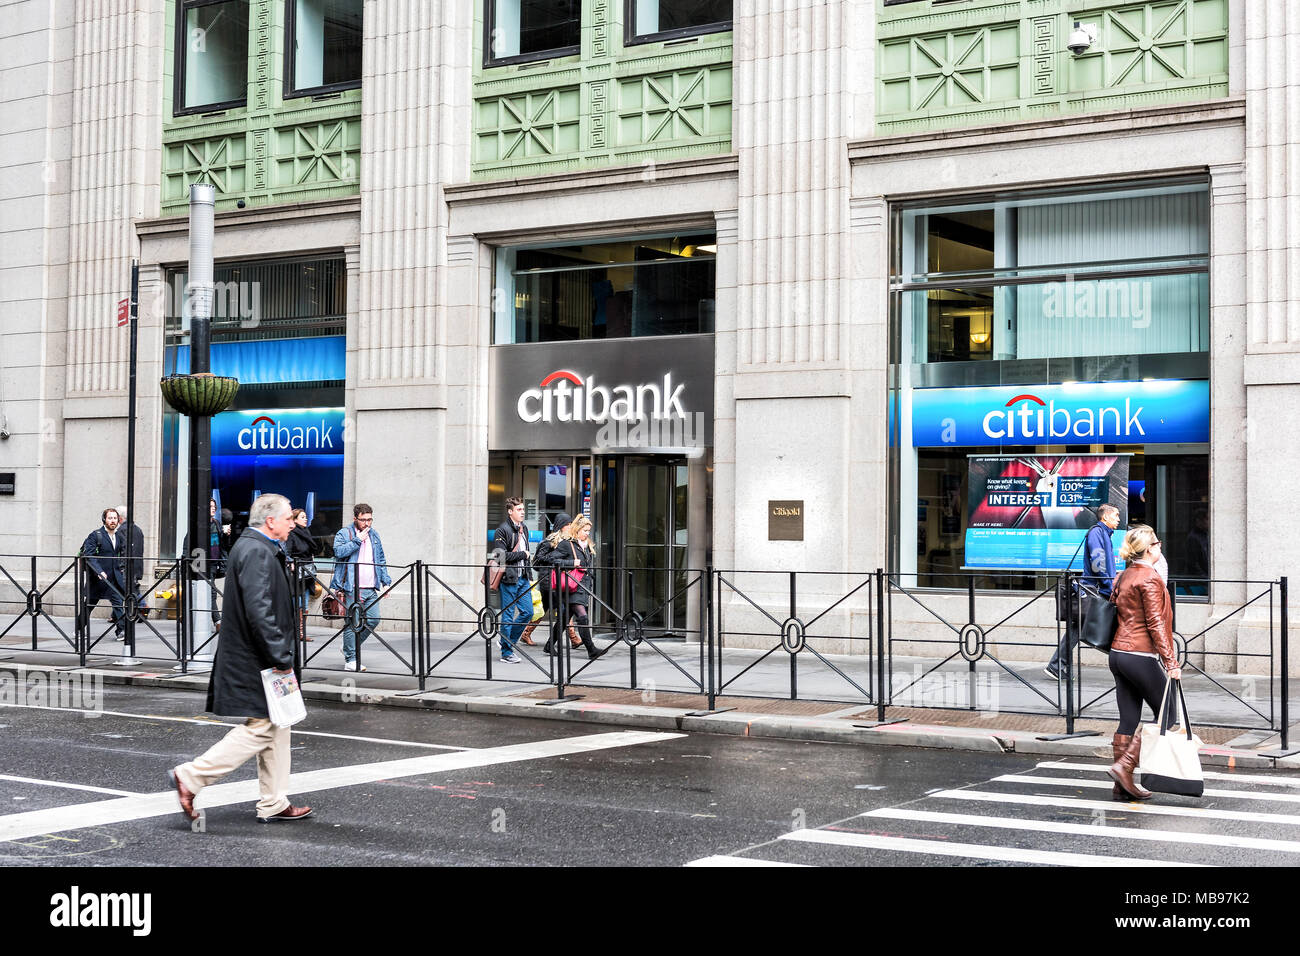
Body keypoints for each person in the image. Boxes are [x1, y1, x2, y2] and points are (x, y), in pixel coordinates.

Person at [168, 493, 313, 824]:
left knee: (278, 725)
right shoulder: (257, 551)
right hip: (256, 656)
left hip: (257, 654)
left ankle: (274, 801)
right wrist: (280, 654)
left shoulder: (258, 547)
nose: (293, 522)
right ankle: (190, 777)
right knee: (262, 726)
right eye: (289, 517)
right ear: (271, 521)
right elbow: (259, 608)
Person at [1107, 524, 1181, 801]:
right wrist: (1170, 661)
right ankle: (1124, 767)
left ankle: (1120, 784)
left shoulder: (1126, 574)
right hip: (1139, 654)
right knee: (1168, 715)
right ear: (1150, 548)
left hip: (1119, 654)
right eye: (1158, 543)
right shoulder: (1149, 578)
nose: (1161, 547)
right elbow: (1155, 622)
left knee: (1128, 719)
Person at [1045, 503, 1120, 680]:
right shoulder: (1097, 532)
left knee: (1077, 629)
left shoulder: (1104, 534)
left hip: (1098, 587)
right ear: (1106, 517)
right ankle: (1057, 664)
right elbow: (1097, 560)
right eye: (1116, 515)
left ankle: (1058, 664)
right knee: (1079, 629)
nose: (1118, 519)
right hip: (1096, 588)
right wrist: (1109, 584)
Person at [330, 503, 392, 671]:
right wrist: (357, 541)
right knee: (353, 622)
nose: (367, 523)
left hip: (371, 586)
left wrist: (385, 582)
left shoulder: (374, 535)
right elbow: (338, 552)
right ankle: (351, 659)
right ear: (355, 518)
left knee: (373, 619)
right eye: (363, 520)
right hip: (352, 586)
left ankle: (348, 647)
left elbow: (381, 559)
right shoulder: (345, 533)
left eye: (369, 519)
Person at [550, 514, 607, 660]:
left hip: (582, 586)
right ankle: (591, 649)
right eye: (584, 530)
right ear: (577, 530)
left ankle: (549, 645)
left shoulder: (587, 546)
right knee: (582, 616)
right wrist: (571, 563)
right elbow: (553, 560)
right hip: (571, 587)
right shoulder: (566, 544)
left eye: (588, 531)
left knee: (564, 618)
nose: (587, 533)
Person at [493, 497, 534, 664]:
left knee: (528, 612)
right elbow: (500, 555)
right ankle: (507, 653)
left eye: (523, 509)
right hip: (509, 578)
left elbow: (529, 553)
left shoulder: (524, 528)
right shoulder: (502, 530)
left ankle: (506, 641)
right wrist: (522, 555)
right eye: (519, 509)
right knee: (508, 616)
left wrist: (529, 574)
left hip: (523, 577)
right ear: (510, 512)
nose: (522, 512)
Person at [536, 513, 582, 655]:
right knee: (562, 610)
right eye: (567, 525)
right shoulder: (549, 541)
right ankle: (571, 640)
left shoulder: (568, 541)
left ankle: (567, 640)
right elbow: (539, 560)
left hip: (560, 581)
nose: (570, 527)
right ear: (561, 526)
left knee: (563, 610)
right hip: (550, 582)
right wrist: (567, 562)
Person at [79, 508, 127, 641]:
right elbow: (89, 555)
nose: (113, 521)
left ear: (118, 520)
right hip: (97, 579)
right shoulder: (96, 535)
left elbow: (122, 555)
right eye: (110, 518)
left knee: (118, 603)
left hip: (114, 578)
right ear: (104, 520)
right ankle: (79, 628)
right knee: (89, 605)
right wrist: (99, 571)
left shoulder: (119, 536)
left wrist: (121, 568)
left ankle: (121, 631)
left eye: (115, 518)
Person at [286, 509, 316, 644]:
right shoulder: (291, 534)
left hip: (307, 573)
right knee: (297, 604)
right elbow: (287, 552)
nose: (306, 519)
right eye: (302, 517)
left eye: (306, 517)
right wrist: (291, 563)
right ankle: (296, 632)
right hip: (296, 573)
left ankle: (302, 632)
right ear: (295, 519)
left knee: (304, 604)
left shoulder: (307, 532)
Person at [116, 505, 148, 623]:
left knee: (125, 589)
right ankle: (117, 614)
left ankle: (142, 607)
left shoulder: (122, 530)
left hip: (127, 566)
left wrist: (122, 566)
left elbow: (123, 550)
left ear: (119, 518)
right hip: (136, 565)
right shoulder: (137, 529)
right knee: (129, 589)